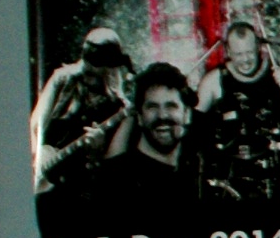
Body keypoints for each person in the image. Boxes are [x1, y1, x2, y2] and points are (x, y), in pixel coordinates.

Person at [196, 19, 280, 203]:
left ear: (258, 48)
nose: (245, 60)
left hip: (276, 175)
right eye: (238, 54)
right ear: (228, 51)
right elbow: (194, 126)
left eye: (249, 52)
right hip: (232, 178)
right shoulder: (215, 80)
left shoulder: (277, 73)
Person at [85, 63, 200, 222]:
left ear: (187, 115)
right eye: (152, 107)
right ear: (139, 117)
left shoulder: (197, 175)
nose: (162, 115)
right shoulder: (115, 180)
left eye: (171, 106)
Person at [30, 25, 131, 198]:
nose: (88, 67)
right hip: (41, 175)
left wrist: (97, 151)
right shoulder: (62, 79)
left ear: (110, 66)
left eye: (96, 62)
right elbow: (34, 126)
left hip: (77, 190)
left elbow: (113, 171)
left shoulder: (119, 108)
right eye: (87, 58)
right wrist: (35, 160)